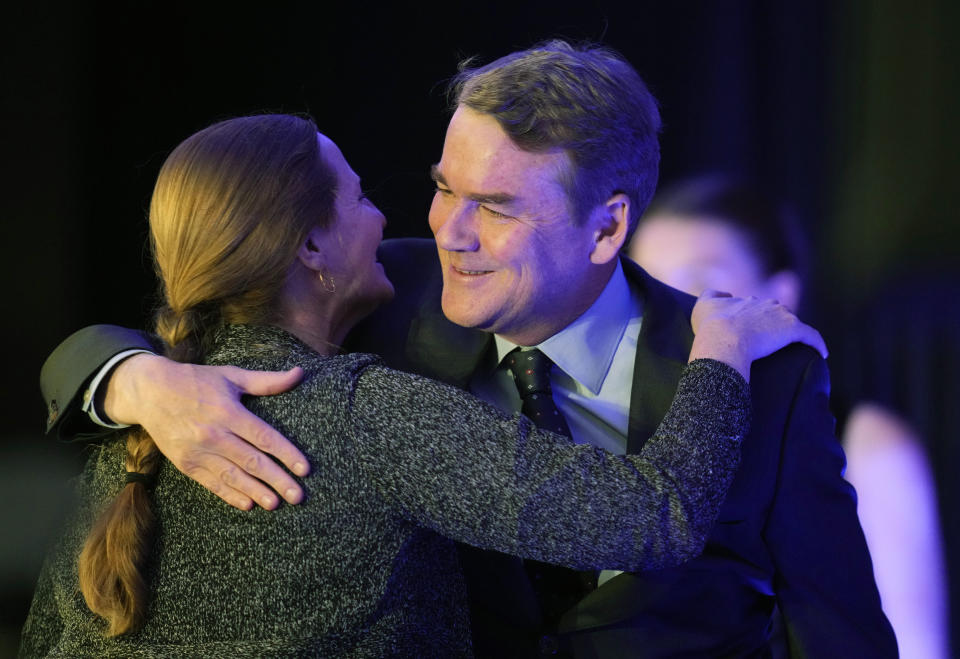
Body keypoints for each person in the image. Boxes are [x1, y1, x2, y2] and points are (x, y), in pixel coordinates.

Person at [38, 42, 896, 657]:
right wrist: (136, 378)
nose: (448, 230)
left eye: (496, 205)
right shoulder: (382, 301)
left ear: (608, 227)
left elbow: (840, 630)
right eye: (444, 187)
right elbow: (165, 336)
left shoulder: (764, 374)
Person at [628, 173, 949, 659]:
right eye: (650, 286)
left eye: (701, 285)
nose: (674, 312)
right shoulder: (614, 418)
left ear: (779, 294)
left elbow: (913, 643)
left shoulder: (867, 441)